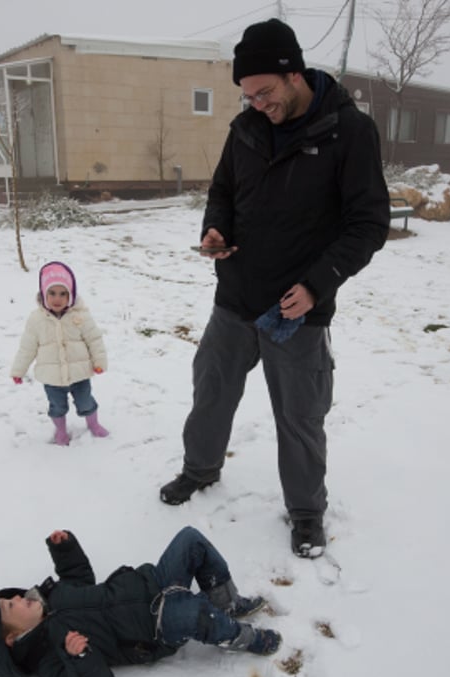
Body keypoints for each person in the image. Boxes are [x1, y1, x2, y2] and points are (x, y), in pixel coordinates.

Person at [160, 18, 391, 559]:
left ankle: (307, 510)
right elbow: (222, 191)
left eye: (265, 92)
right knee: (211, 390)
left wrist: (317, 286)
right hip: (236, 296)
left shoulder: (348, 132)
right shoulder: (245, 129)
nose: (257, 104)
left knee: (300, 414)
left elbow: (368, 223)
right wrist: (215, 229)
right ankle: (200, 469)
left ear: (293, 73)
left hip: (295, 307)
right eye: (248, 95)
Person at [0, 527, 282, 677]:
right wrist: (79, 657)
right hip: (155, 626)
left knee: (190, 540)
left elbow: (79, 577)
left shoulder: (51, 595)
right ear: (12, 639)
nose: (16, 598)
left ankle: (227, 602)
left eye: (9, 597)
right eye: (10, 608)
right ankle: (243, 637)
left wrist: (65, 549)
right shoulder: (48, 658)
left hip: (152, 581)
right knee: (193, 612)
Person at [10, 260, 109, 445]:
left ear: (71, 295)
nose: (57, 299)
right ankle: (61, 431)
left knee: (86, 402)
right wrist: (18, 371)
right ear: (43, 294)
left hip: (79, 374)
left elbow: (94, 339)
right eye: (52, 293)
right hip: (52, 378)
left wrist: (99, 362)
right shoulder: (36, 320)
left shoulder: (80, 316)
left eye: (63, 294)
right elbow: (27, 347)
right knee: (57, 407)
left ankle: (93, 424)